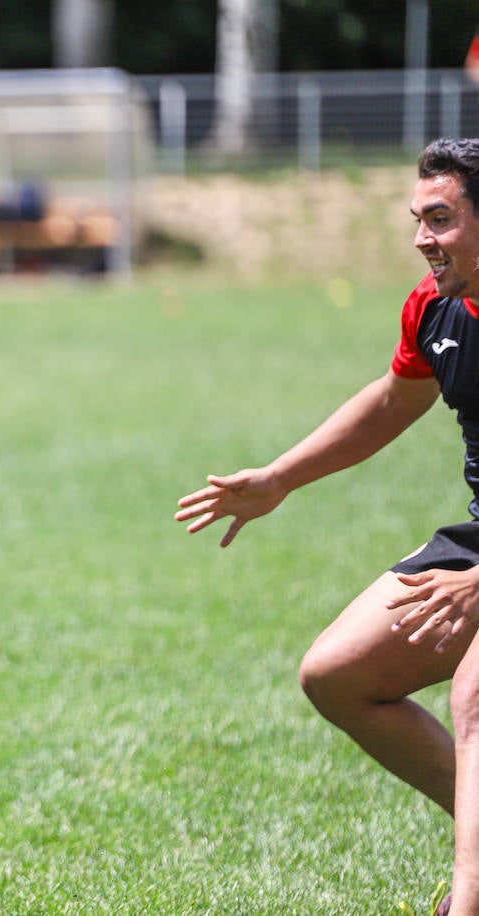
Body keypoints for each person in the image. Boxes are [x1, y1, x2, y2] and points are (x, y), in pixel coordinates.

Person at [175, 137, 479, 916]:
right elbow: (392, 401)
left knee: (475, 692)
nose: (421, 237)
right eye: (417, 219)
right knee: (338, 674)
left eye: (440, 219)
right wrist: (280, 477)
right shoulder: (434, 308)